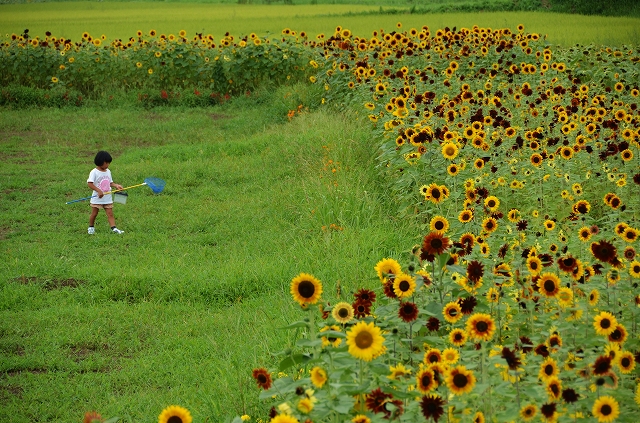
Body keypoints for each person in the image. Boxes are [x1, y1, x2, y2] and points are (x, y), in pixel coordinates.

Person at [87, 151, 124, 234]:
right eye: (106, 163)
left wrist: (116, 185)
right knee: (94, 213)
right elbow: (90, 183)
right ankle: (91, 227)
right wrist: (98, 190)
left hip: (107, 197)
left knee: (110, 213)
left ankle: (114, 228)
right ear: (100, 161)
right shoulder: (94, 172)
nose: (108, 165)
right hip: (97, 197)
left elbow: (110, 182)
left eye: (109, 163)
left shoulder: (108, 171)